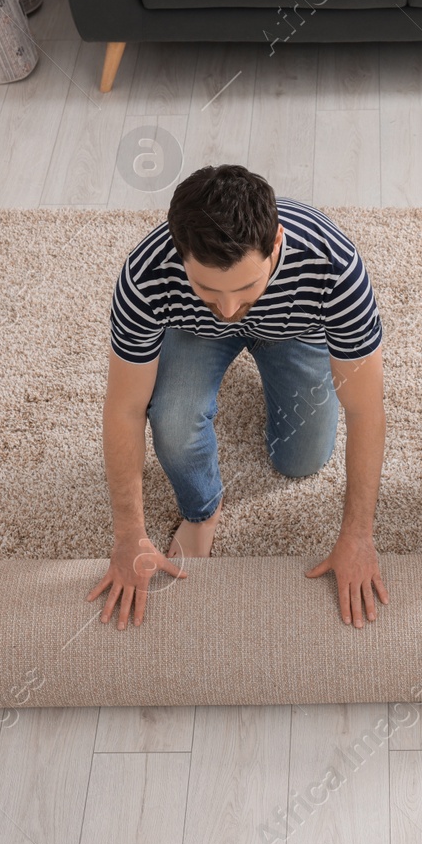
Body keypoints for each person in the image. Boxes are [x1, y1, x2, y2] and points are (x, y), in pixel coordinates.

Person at [90, 164, 390, 629]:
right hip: (195, 333)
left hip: (298, 332)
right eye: (207, 289)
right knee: (169, 417)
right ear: (180, 252)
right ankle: (203, 508)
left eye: (246, 289)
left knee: (302, 459)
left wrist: (358, 537)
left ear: (274, 248)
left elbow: (366, 408)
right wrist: (129, 537)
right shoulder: (145, 275)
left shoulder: (334, 267)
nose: (228, 310)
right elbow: (125, 409)